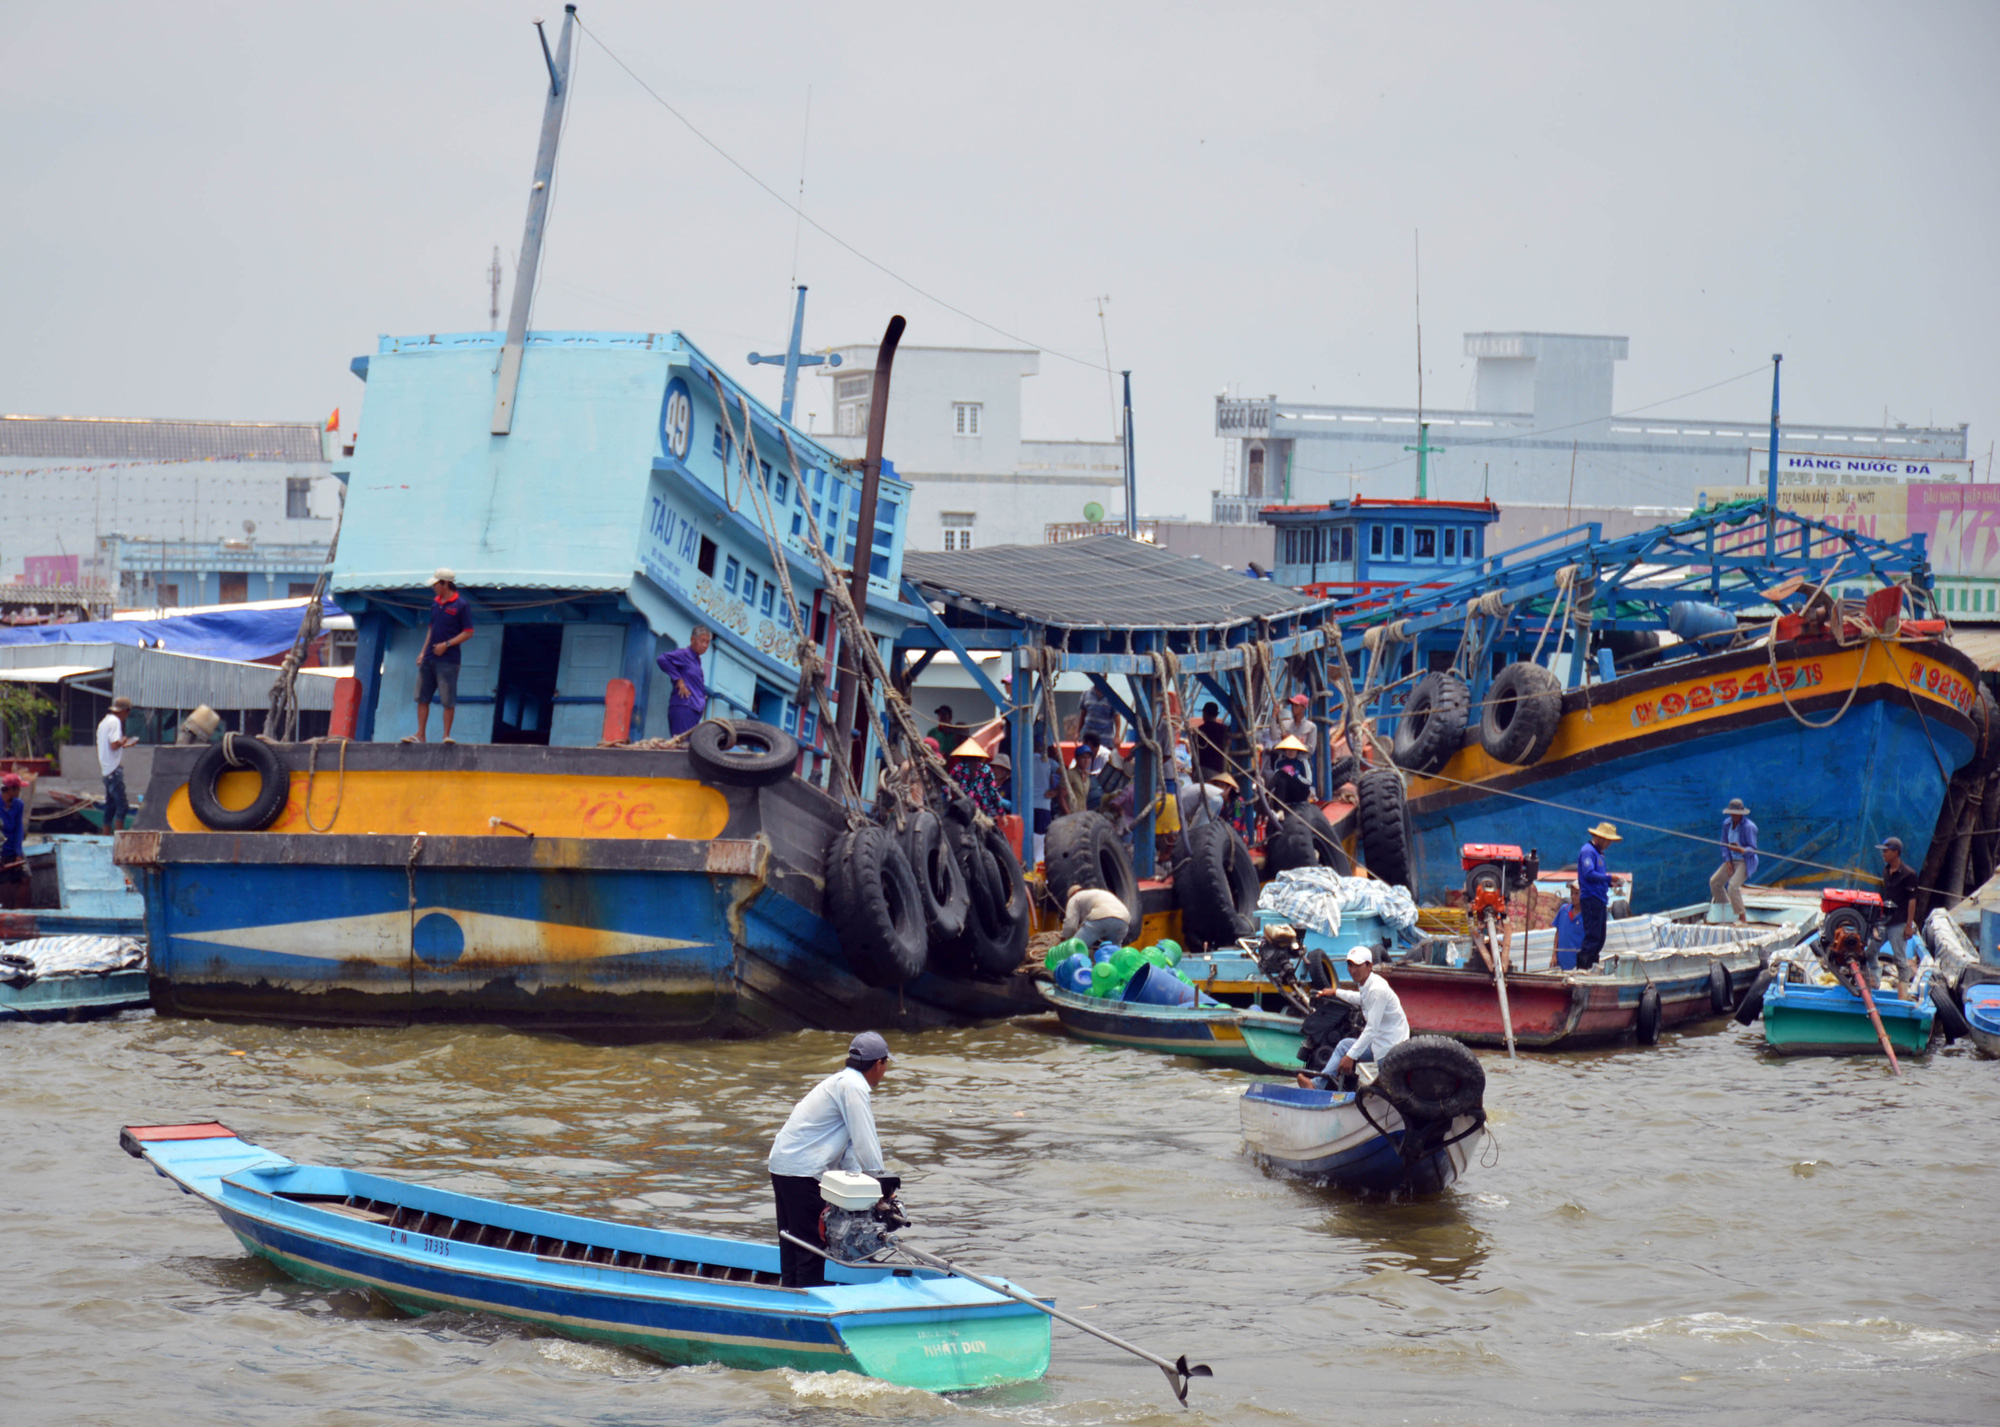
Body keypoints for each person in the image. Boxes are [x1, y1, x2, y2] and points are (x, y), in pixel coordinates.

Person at [766, 1032, 897, 1289]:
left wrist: (863, 1190)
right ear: (879, 1063)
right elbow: (865, 1138)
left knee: (793, 1244)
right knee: (810, 1249)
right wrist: (883, 1185)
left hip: (783, 1165)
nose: (884, 1071)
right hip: (801, 1172)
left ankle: (790, 1296)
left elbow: (849, 1151)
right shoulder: (854, 1086)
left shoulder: (840, 1083)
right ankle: (807, 1307)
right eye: (885, 1065)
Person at [1296, 947, 1409, 1090]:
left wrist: (1351, 1056)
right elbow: (1361, 998)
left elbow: (1371, 1029)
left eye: (1357, 965)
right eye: (1350, 965)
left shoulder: (1377, 989)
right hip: (1378, 1041)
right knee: (1344, 1045)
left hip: (1389, 1046)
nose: (1353, 970)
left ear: (1369, 966)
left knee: (1389, 1091)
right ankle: (1316, 1085)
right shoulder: (1368, 984)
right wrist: (1335, 992)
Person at [412, 569, 475, 743]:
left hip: (449, 660)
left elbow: (468, 632)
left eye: (435, 584)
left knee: (448, 700)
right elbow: (431, 629)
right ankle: (420, 735)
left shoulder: (461, 605)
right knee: (422, 697)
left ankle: (446, 735)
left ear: (445, 583)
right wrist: (423, 651)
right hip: (430, 658)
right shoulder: (435, 604)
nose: (433, 587)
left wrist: (447, 645)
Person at [1868, 835, 1920, 996]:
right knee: (1870, 951)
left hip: (1899, 922)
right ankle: (1874, 983)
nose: (1883, 854)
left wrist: (1909, 925)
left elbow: (1912, 900)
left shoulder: (1908, 874)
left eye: (1886, 851)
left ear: (1896, 853)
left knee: (1900, 959)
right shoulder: (1885, 871)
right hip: (1884, 920)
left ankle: (1903, 994)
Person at [1576, 821, 1621, 971]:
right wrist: (1609, 878)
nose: (1609, 844)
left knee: (1600, 938)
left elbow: (1598, 876)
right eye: (1609, 840)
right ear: (1602, 838)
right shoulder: (1588, 851)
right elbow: (1589, 874)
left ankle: (1592, 965)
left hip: (1599, 898)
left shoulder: (1599, 854)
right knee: (1593, 936)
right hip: (1591, 898)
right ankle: (1583, 967)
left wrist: (1609, 884)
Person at [655, 625, 713, 737]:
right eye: (702, 641)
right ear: (692, 640)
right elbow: (662, 659)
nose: (705, 646)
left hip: (693, 709)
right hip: (684, 706)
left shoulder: (696, 660)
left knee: (689, 747)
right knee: (681, 747)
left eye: (707, 642)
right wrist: (678, 679)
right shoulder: (684, 654)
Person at [1710, 798, 1759, 925]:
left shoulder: (1749, 827)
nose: (1734, 816)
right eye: (1731, 813)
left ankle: (1742, 918)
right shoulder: (1727, 824)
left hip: (1745, 861)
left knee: (1733, 886)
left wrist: (1741, 850)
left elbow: (1753, 849)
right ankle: (1726, 911)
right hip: (1732, 860)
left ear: (1741, 813)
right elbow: (1724, 844)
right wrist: (1727, 861)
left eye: (1736, 813)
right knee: (1715, 882)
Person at [97, 696, 138, 832]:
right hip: (114, 771)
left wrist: (124, 745)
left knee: (110, 806)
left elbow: (109, 747)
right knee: (123, 806)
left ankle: (106, 837)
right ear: (125, 711)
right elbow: (114, 745)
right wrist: (124, 740)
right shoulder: (115, 722)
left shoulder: (104, 722)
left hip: (106, 771)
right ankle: (118, 839)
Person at [1060, 884, 1130, 950]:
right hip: (1124, 920)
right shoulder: (1094, 894)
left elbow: (1070, 926)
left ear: (1073, 893)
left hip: (1102, 917)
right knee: (1114, 953)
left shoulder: (1074, 898)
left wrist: (1065, 938)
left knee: (1075, 947)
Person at [947, 738, 1003, 816]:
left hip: (961, 808)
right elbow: (993, 792)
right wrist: (1001, 812)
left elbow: (948, 786)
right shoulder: (986, 769)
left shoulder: (958, 768)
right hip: (982, 811)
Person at [0, 773, 27, 910]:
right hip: (1, 851)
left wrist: (18, 852)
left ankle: (20, 912)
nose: (19, 792)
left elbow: (18, 829)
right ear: (10, 790)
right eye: (18, 789)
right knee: (5, 887)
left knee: (25, 879)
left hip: (12, 849)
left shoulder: (18, 804)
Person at [1190, 702, 1233, 783]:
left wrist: (1193, 771)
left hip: (1199, 770)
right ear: (1216, 715)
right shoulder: (1223, 730)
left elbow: (1194, 754)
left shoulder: (1198, 731)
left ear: (1204, 714)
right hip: (1216, 771)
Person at [1267, 735, 1314, 805]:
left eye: (1293, 750)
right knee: (1281, 779)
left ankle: (1266, 791)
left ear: (1297, 751)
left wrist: (1294, 774)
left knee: (1281, 773)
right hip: (1285, 793)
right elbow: (1277, 780)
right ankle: (1280, 810)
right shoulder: (1279, 762)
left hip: (1300, 791)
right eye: (1288, 749)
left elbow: (1308, 782)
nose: (1290, 752)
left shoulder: (1302, 762)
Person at [1274, 692, 1319, 756]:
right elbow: (1274, 737)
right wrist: (1273, 717)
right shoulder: (1285, 724)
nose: (1293, 708)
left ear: (1303, 708)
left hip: (1301, 762)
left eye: (1296, 705)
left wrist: (1292, 740)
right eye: (1292, 705)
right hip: (1284, 761)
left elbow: (1310, 749)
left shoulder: (1311, 727)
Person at [1552, 885, 1585, 969]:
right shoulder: (1564, 910)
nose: (1573, 896)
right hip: (1560, 962)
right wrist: (1554, 955)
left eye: (1576, 894)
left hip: (1577, 964)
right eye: (1572, 893)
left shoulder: (1587, 916)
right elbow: (1558, 933)